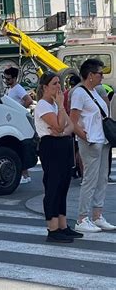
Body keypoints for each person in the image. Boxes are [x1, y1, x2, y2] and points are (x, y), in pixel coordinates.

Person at [70, 59, 116, 232]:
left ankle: (97, 215)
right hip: (91, 142)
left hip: (102, 140)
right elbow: (73, 121)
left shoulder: (95, 91)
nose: (102, 77)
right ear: (90, 75)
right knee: (90, 179)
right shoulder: (79, 93)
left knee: (102, 179)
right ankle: (82, 218)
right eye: (100, 73)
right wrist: (85, 137)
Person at [35, 71, 81, 243]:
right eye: (54, 83)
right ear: (45, 87)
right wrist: (61, 107)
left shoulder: (54, 105)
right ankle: (52, 228)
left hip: (63, 146)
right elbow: (59, 127)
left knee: (63, 186)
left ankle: (62, 225)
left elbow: (68, 126)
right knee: (53, 187)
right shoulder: (43, 105)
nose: (58, 87)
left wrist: (60, 129)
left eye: (59, 83)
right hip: (51, 148)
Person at [3, 66, 33, 184]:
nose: (6, 81)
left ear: (15, 78)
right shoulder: (11, 89)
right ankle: (24, 174)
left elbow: (28, 100)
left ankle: (24, 175)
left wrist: (19, 111)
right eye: (5, 78)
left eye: (9, 79)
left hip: (17, 121)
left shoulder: (17, 89)